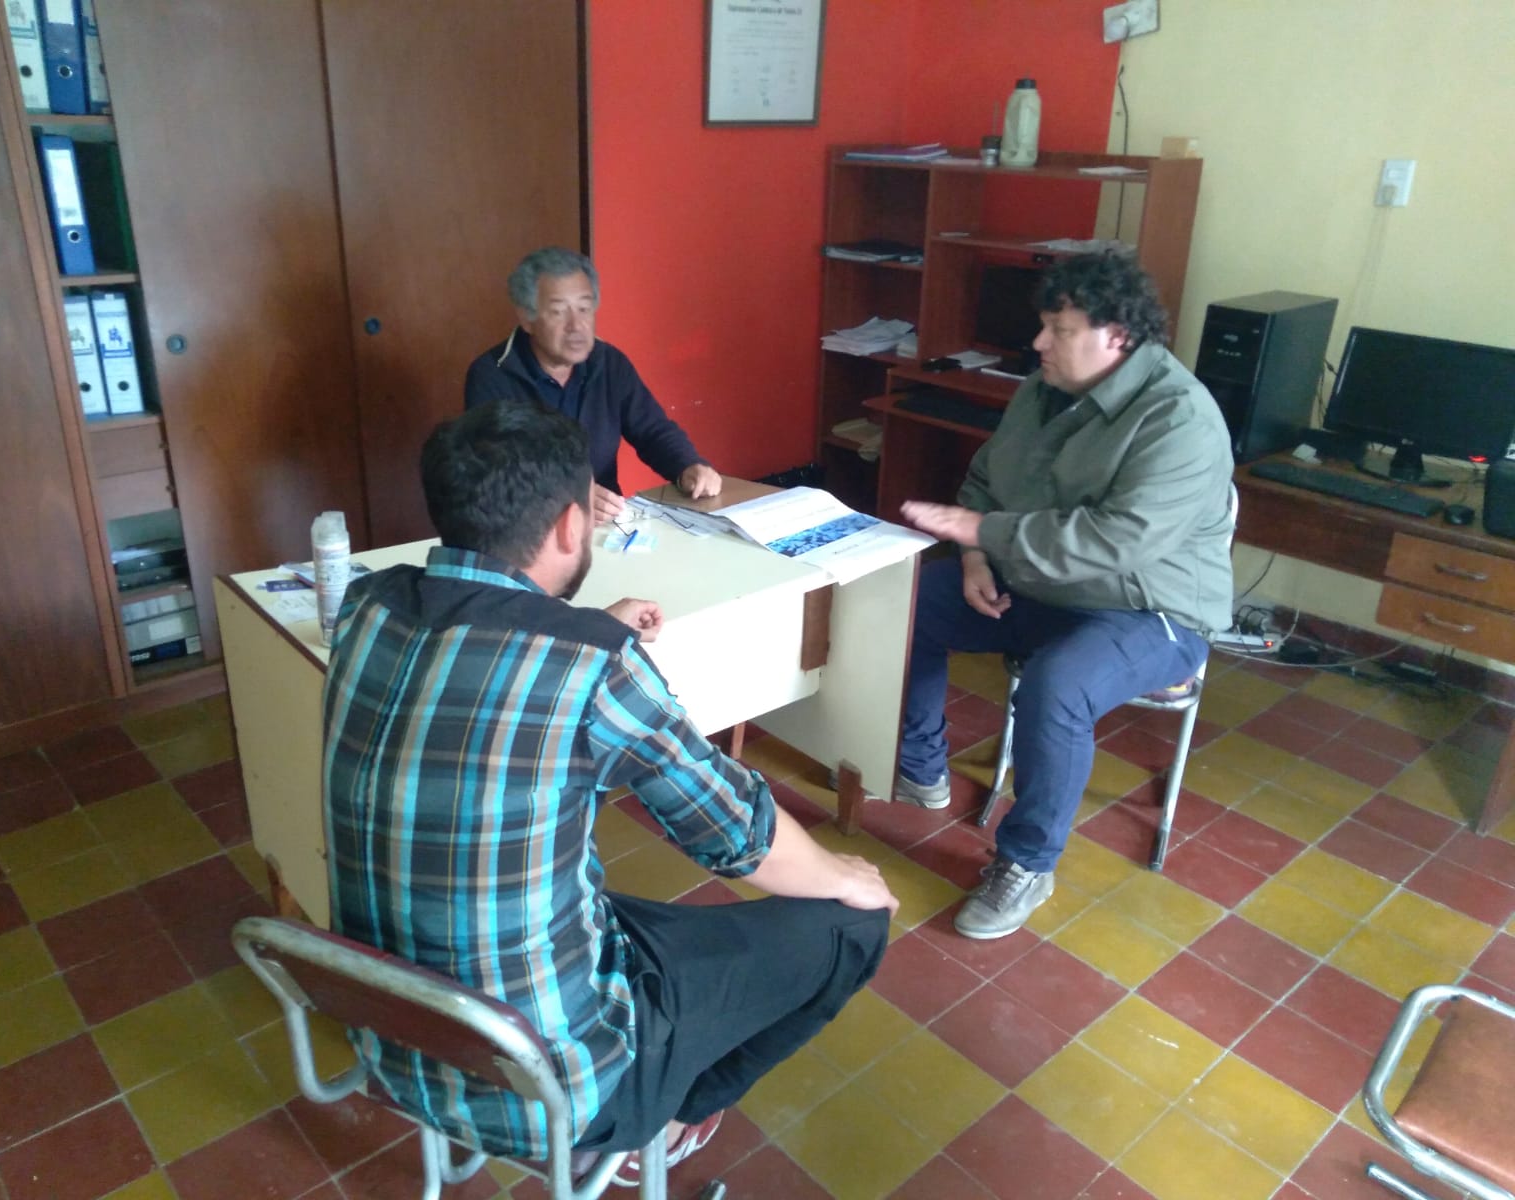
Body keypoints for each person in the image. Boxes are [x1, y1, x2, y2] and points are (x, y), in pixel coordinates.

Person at [321, 396, 896, 1180]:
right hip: (556, 1085)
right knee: (851, 927)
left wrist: (589, 627)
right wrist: (848, 878)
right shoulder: (592, 665)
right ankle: (672, 1116)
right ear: (571, 524)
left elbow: (478, 653)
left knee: (632, 915)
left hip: (391, 1032)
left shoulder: (365, 605)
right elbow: (738, 837)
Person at [897, 250, 1235, 941]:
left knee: (1057, 685)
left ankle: (1027, 864)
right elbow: (986, 480)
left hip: (1150, 609)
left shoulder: (1180, 420)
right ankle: (918, 768)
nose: (1039, 343)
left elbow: (1117, 541)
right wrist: (973, 555)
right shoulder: (1043, 389)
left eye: (1059, 330)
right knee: (905, 605)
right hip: (1041, 583)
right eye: (1043, 325)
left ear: (1118, 336)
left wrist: (980, 532)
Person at [464, 246, 723, 523]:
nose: (576, 325)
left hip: (605, 525)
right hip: (527, 528)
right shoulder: (493, 374)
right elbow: (494, 474)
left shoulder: (609, 363)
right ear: (527, 318)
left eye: (585, 309)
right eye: (558, 312)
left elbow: (652, 430)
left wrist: (687, 466)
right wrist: (569, 496)